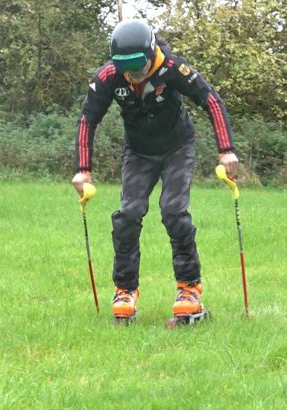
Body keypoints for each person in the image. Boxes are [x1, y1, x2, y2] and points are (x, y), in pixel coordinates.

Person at [71, 18, 239, 322]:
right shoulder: (109, 76)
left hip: (177, 147)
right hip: (138, 153)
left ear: (151, 54)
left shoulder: (173, 68)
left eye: (138, 67)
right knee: (129, 214)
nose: (133, 76)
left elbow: (211, 101)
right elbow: (87, 120)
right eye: (127, 69)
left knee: (173, 211)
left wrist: (226, 151)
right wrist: (83, 170)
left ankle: (189, 288)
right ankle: (125, 290)